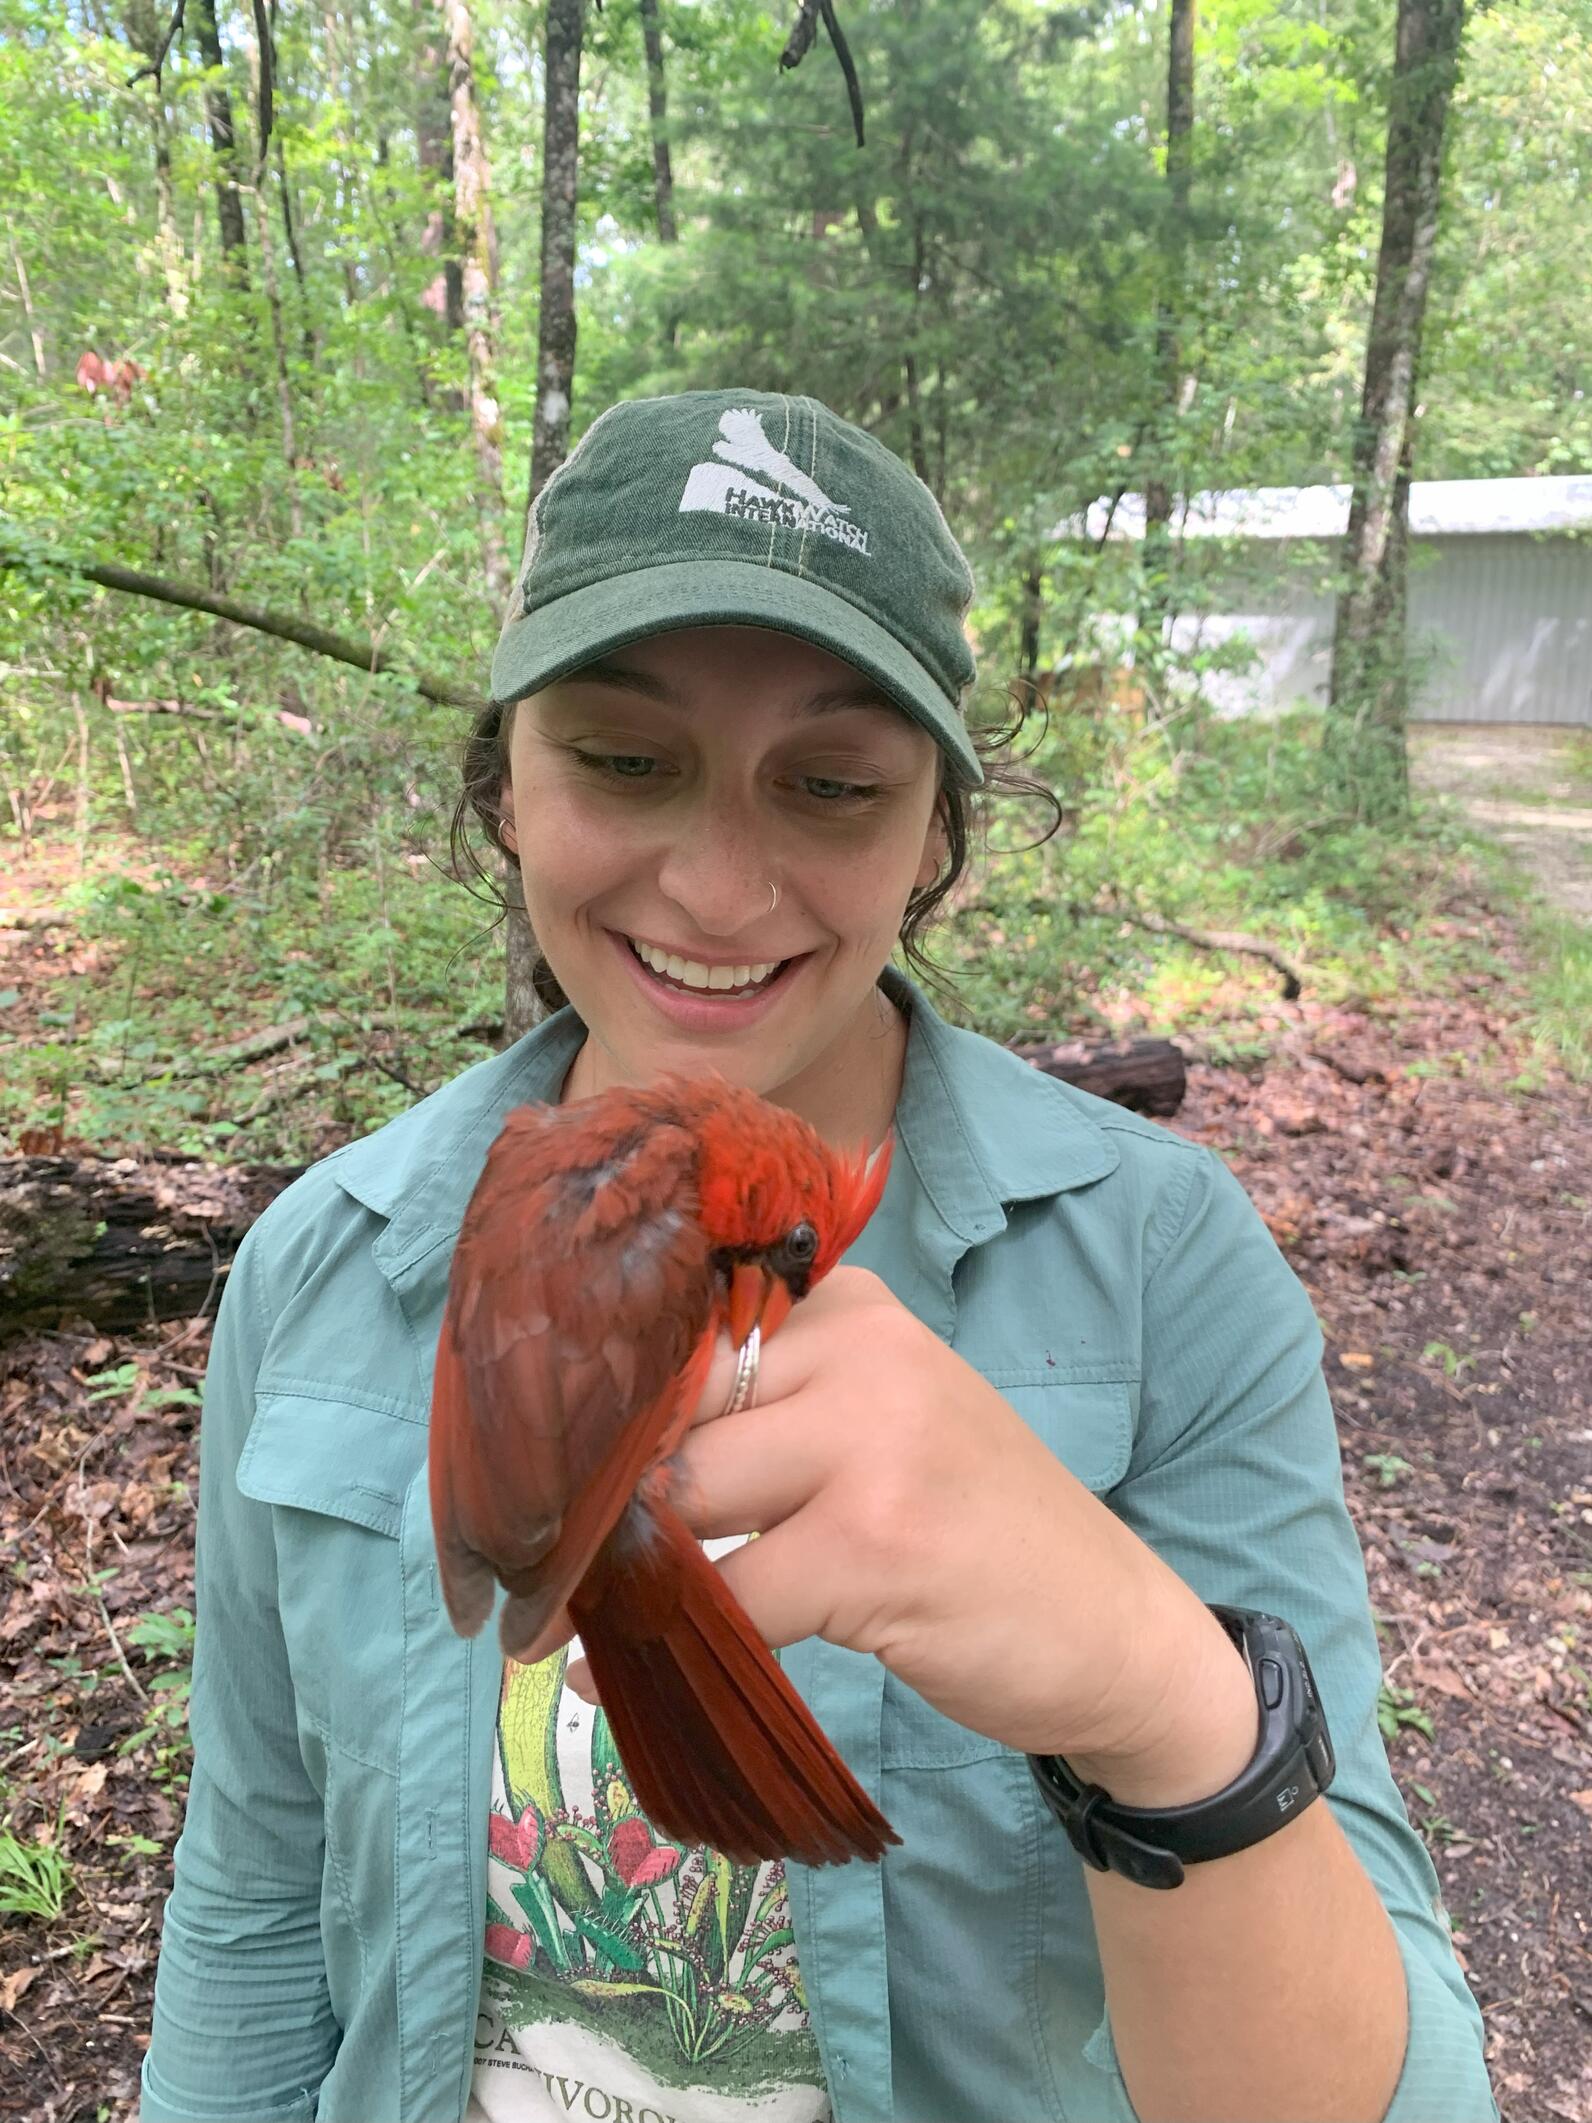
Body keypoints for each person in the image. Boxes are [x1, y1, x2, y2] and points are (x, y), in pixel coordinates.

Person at [140, 388, 1498, 2123]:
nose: (716, 886)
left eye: (835, 785)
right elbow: (255, 1902)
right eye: (625, 760)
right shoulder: (323, 1264)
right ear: (505, 792)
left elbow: (1410, 2096)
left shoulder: (1161, 1270)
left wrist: (1161, 1697)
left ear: (935, 835)